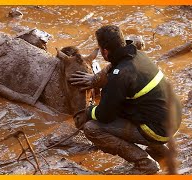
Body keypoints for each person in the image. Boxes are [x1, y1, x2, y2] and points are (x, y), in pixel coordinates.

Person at [70, 25, 182, 174]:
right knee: (134, 106)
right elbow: (111, 68)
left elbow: (105, 115)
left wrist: (89, 111)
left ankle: (144, 163)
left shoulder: (120, 75)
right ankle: (161, 150)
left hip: (158, 130)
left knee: (92, 128)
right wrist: (94, 79)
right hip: (173, 119)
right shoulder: (137, 55)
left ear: (104, 51)